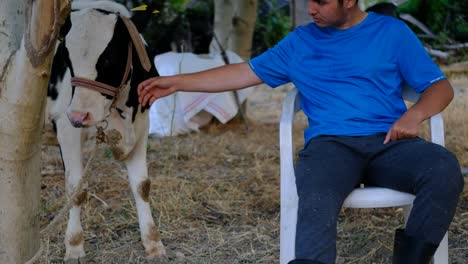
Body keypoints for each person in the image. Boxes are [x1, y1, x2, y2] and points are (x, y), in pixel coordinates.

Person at [138, 0, 464, 263]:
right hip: (331, 147)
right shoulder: (300, 42)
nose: (310, 9)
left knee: (444, 170)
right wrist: (177, 82)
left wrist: (415, 115)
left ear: (349, 1)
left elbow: (440, 87)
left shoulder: (392, 33)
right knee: (316, 194)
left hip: (388, 141)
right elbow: (242, 73)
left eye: (320, 2)